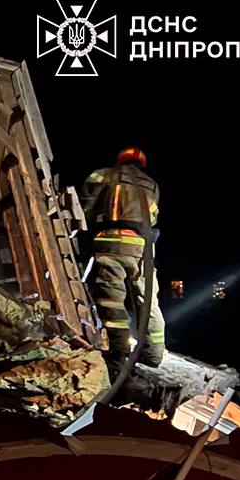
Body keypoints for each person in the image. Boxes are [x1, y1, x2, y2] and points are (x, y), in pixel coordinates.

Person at [80, 147, 166, 367]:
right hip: (142, 246)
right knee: (147, 299)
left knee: (112, 299)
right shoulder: (152, 184)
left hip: (111, 242)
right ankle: (154, 354)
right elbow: (153, 218)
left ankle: (118, 350)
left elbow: (85, 206)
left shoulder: (103, 175)